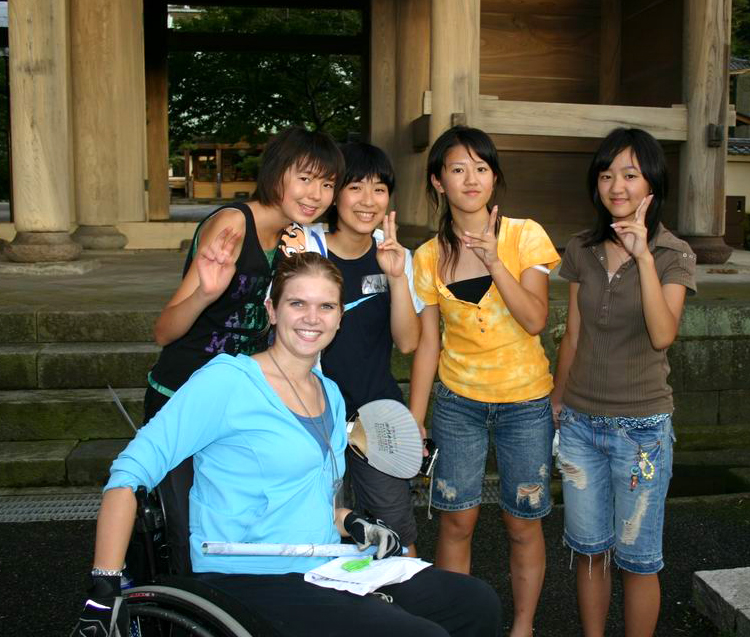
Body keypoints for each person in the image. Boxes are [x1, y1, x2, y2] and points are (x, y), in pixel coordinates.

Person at [72, 252, 502, 637]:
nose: (311, 318)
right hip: (246, 574)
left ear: (339, 317)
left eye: (326, 306)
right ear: (271, 310)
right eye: (297, 303)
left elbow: (299, 497)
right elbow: (127, 475)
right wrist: (104, 587)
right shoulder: (227, 382)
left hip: (323, 564)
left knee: (475, 603)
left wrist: (351, 521)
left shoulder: (329, 392)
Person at [142, 127, 343, 573]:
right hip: (184, 397)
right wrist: (204, 294)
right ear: (276, 173)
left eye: (327, 184)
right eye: (305, 178)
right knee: (182, 534)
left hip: (240, 405)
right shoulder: (234, 224)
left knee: (230, 528)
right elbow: (165, 330)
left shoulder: (290, 238)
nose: (316, 194)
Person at [409, 125, 560, 637]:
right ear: (438, 181)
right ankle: (457, 627)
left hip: (525, 402)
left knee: (523, 523)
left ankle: (523, 626)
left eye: (481, 167)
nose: (470, 178)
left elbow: (536, 318)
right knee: (456, 520)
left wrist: (495, 259)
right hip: (458, 403)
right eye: (457, 168)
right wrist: (416, 416)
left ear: (495, 177)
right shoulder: (427, 256)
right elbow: (429, 342)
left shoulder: (524, 235)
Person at [550, 127, 696, 637]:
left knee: (638, 558)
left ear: (652, 182)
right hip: (580, 427)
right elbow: (573, 333)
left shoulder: (674, 253)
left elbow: (663, 334)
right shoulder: (582, 248)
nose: (617, 185)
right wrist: (557, 399)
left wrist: (644, 257)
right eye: (607, 174)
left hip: (642, 433)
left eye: (630, 174)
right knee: (589, 553)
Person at [320, 142, 423, 556]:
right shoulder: (307, 250)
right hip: (316, 416)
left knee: (397, 539)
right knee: (323, 534)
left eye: (379, 189)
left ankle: (403, 619)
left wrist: (397, 277)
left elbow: (409, 341)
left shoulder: (396, 255)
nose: (368, 201)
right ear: (335, 193)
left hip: (376, 416)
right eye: (355, 187)